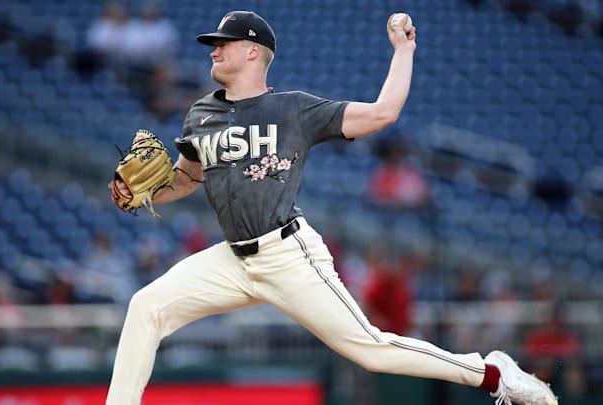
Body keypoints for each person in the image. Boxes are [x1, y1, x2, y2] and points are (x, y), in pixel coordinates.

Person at [106, 10, 557, 405]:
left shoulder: (292, 109)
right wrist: (143, 192)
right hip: (232, 257)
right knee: (146, 306)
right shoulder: (201, 113)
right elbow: (186, 178)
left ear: (252, 52)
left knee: (371, 350)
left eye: (222, 44)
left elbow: (384, 113)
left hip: (286, 254)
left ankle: (492, 373)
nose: (212, 52)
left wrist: (403, 50)